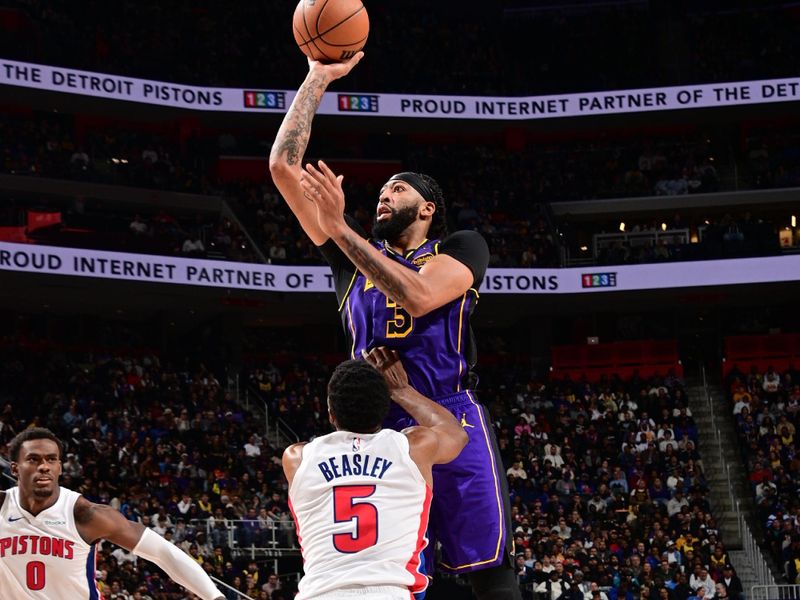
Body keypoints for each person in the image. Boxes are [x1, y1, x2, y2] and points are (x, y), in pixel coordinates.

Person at [270, 52, 520, 600]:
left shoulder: (460, 247)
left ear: (428, 208)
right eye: (381, 190)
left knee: (491, 571)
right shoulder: (348, 258)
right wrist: (317, 75)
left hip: (449, 410)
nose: (383, 194)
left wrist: (340, 229)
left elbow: (420, 294)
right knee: (399, 577)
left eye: (398, 189)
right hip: (377, 430)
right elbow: (283, 169)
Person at [282, 348, 468, 599]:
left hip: (319, 593)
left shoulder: (296, 458)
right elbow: (456, 434)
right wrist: (402, 390)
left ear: (330, 413)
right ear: (384, 408)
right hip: (389, 592)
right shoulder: (414, 448)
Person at [0, 427, 224, 599]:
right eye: (33, 459)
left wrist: (214, 596)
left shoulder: (83, 513)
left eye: (51, 459)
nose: (44, 466)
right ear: (14, 468)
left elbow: (161, 551)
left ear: (59, 466)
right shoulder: (2, 506)